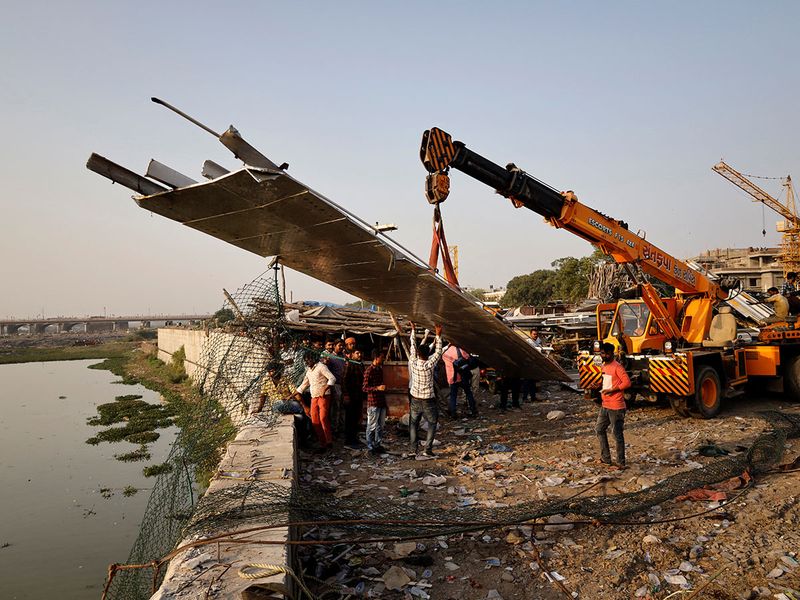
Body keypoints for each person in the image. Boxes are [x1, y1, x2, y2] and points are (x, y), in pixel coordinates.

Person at [408, 323, 444, 457]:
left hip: (415, 398)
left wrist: (412, 329)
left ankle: (413, 450)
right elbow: (439, 352)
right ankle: (427, 449)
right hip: (428, 399)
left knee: (413, 424)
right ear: (428, 354)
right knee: (432, 423)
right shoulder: (429, 364)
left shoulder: (413, 361)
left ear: (418, 353)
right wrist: (438, 335)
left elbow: (412, 345)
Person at [595, 342, 631, 469]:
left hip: (616, 406)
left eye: (605, 353)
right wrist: (598, 385)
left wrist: (613, 390)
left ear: (611, 353)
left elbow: (627, 383)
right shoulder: (604, 366)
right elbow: (606, 381)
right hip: (605, 405)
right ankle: (606, 458)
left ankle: (621, 462)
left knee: (617, 434)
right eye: (602, 353)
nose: (603, 356)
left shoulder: (618, 367)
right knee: (599, 429)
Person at [296, 352, 337, 451]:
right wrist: (292, 394)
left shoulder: (321, 366)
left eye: (308, 360)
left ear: (313, 359)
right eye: (306, 360)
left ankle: (329, 442)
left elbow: (332, 378)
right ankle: (322, 443)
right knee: (314, 420)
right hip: (314, 397)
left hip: (324, 396)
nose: (307, 362)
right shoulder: (309, 371)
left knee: (323, 418)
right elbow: (303, 385)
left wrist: (325, 388)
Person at [363, 349, 388, 454]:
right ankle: (370, 446)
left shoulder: (379, 369)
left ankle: (377, 445)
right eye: (382, 357)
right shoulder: (369, 370)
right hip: (373, 402)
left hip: (381, 401)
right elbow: (364, 388)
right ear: (376, 357)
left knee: (380, 426)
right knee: (371, 426)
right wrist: (377, 388)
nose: (383, 359)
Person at [442, 343, 477, 418]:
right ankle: (473, 410)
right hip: (463, 376)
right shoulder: (461, 350)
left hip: (452, 378)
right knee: (468, 393)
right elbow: (468, 358)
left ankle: (453, 414)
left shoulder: (445, 354)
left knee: (453, 396)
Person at [342, 348, 366, 449]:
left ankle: (354, 439)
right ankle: (349, 441)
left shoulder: (360, 365)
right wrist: (346, 395)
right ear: (352, 355)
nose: (359, 354)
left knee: (356, 418)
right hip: (350, 396)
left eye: (360, 352)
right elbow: (344, 380)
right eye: (357, 353)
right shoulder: (349, 365)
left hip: (358, 396)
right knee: (350, 419)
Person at [521, 329, 542, 402]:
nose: (536, 336)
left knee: (533, 383)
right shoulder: (528, 342)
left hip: (535, 364)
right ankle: (525, 397)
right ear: (530, 334)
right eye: (534, 334)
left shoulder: (538, 341)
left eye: (536, 334)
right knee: (526, 382)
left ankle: (533, 397)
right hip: (528, 364)